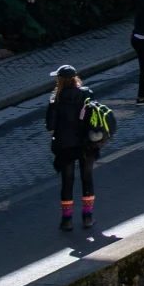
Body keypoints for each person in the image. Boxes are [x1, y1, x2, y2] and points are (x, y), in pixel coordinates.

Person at [47, 65, 104, 234]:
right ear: (75, 78)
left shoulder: (56, 99)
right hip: (87, 143)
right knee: (87, 177)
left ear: (60, 80)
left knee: (67, 181)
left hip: (65, 145)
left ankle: (67, 220)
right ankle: (87, 217)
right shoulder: (87, 94)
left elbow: (50, 125)